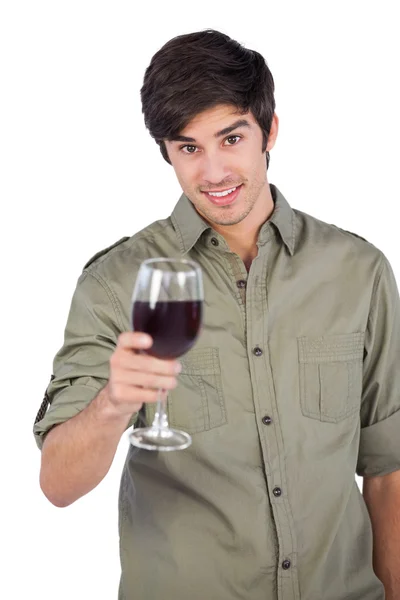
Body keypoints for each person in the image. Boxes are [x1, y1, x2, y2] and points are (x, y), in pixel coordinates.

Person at [34, 29, 400, 600]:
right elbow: (57, 484)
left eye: (231, 138)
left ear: (269, 130)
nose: (213, 172)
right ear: (166, 152)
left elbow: (388, 469)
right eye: (188, 148)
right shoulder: (115, 283)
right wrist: (113, 404)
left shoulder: (359, 271)